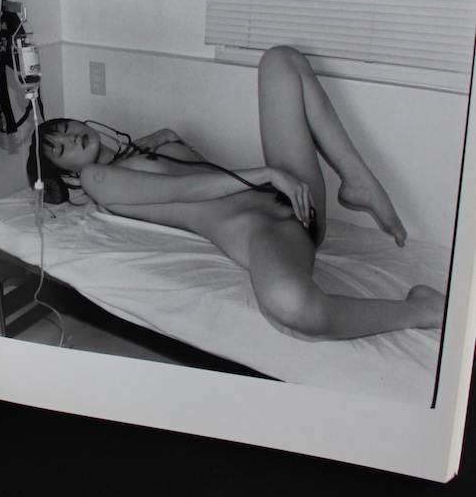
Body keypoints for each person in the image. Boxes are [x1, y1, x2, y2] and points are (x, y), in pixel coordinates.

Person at [28, 45, 445, 341]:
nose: (69, 138)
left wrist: (162, 137)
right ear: (70, 179)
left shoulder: (134, 152)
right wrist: (265, 173)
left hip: (295, 198)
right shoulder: (97, 180)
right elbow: (185, 190)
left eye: (64, 128)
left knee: (280, 60)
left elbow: (193, 162)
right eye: (60, 150)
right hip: (266, 229)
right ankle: (420, 309)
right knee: (291, 306)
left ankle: (357, 179)